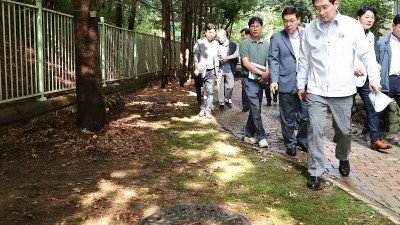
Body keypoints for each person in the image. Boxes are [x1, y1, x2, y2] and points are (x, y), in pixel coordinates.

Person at [297, 0, 382, 189]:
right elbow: (304, 59)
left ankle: (343, 157)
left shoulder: (351, 26)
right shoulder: (310, 29)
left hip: (343, 89)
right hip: (316, 89)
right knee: (315, 129)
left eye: (325, 7)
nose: (320, 12)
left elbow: (367, 54)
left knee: (344, 131)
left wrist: (374, 78)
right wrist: (301, 85)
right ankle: (315, 171)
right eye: (317, 8)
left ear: (336, 3)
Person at [268, 6, 308, 157]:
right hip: (285, 82)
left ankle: (302, 139)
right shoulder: (278, 37)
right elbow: (273, 59)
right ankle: (290, 143)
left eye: (292, 21)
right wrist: (274, 80)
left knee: (306, 114)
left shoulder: (307, 35)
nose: (289, 24)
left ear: (298, 20)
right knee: (287, 116)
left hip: (305, 83)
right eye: (285, 21)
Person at [354, 6, 391, 150]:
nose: (369, 20)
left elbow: (368, 55)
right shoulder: (349, 32)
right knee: (344, 108)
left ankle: (375, 139)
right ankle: (339, 134)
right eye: (366, 17)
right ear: (359, 18)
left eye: (372, 18)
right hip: (349, 78)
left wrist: (375, 66)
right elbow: (343, 55)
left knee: (372, 107)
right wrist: (353, 68)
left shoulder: (370, 36)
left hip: (365, 78)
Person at [240, 17, 270, 148]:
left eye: (258, 26)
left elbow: (268, 62)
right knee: (256, 107)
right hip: (249, 80)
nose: (255, 28)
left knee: (255, 108)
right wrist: (261, 73)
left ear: (261, 27)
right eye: (252, 26)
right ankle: (261, 136)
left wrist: (266, 75)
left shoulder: (266, 44)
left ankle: (248, 134)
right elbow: (245, 63)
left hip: (261, 81)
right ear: (249, 28)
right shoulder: (245, 43)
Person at [193, 23, 219, 119]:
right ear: (205, 32)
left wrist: (218, 71)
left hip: (211, 70)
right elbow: (195, 56)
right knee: (200, 90)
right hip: (200, 70)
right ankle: (202, 108)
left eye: (213, 32)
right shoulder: (199, 42)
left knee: (210, 91)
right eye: (210, 32)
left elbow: (217, 57)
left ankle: (208, 110)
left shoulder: (216, 44)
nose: (211, 34)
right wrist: (196, 68)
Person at [376, 14, 400, 108]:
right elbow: (375, 63)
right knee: (377, 111)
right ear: (393, 26)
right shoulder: (381, 44)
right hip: (388, 80)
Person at [216, 29, 239, 110]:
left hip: (230, 69)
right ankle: (221, 103)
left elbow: (236, 57)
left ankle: (226, 99)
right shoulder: (217, 45)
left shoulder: (233, 45)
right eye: (218, 38)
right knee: (220, 87)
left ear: (225, 36)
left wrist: (234, 68)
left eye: (219, 37)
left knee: (231, 86)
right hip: (220, 70)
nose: (218, 39)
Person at [240, 28, 251, 112]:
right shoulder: (243, 44)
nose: (243, 37)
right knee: (245, 90)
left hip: (254, 72)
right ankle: (245, 106)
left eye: (243, 36)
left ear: (248, 35)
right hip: (245, 73)